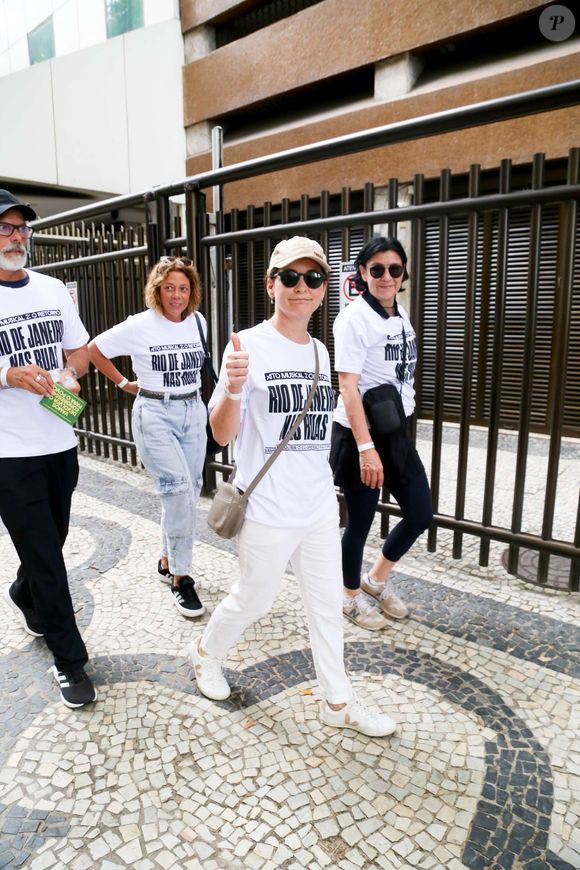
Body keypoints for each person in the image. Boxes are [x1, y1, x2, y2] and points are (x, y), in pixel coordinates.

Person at [190, 236, 397, 737]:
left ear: (326, 288)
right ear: (271, 285)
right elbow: (219, 434)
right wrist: (235, 388)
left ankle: (337, 700)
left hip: (318, 506)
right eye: (290, 277)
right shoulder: (246, 344)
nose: (301, 287)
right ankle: (205, 654)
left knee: (326, 606)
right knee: (254, 599)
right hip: (265, 509)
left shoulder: (323, 352)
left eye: (313, 278)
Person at [0, 188, 97, 708]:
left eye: (22, 228)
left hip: (60, 436)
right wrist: (7, 374)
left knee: (50, 542)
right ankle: (70, 660)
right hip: (7, 453)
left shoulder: (54, 288)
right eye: (6, 228)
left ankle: (23, 593)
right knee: (44, 554)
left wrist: (70, 375)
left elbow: (78, 350)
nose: (16, 237)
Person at [89, 257, 207, 619]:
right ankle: (181, 578)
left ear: (192, 292)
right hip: (155, 412)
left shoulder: (198, 322)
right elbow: (95, 349)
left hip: (193, 408)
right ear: (157, 290)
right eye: (169, 287)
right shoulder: (140, 325)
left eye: (183, 288)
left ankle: (166, 558)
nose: (176, 295)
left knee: (190, 487)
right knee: (177, 492)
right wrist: (124, 383)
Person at [330, 236, 433, 630]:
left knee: (420, 512)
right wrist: (365, 448)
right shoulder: (354, 318)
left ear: (403, 272)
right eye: (377, 269)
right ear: (362, 274)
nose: (386, 276)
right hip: (363, 434)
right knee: (360, 522)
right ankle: (350, 597)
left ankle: (376, 579)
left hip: (395, 431)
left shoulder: (399, 314)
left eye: (394, 269)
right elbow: (348, 386)